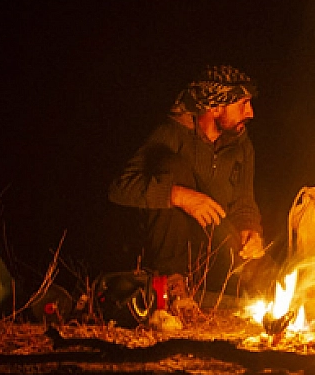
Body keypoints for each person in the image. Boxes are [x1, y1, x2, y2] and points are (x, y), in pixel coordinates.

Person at [108, 65, 272, 294]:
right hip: (168, 244)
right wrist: (177, 195)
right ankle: (171, 284)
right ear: (215, 108)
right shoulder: (172, 133)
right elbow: (120, 188)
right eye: (243, 104)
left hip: (211, 243)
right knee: (172, 166)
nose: (251, 112)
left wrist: (250, 229)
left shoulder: (241, 145)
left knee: (265, 272)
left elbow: (244, 201)